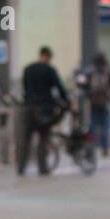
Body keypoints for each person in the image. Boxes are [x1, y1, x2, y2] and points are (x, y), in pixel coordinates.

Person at [17, 46, 70, 176]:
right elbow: (60, 88)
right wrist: (67, 101)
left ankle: (21, 167)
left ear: (40, 54)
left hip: (28, 107)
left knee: (25, 138)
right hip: (43, 108)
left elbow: (24, 86)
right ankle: (42, 167)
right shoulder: (50, 70)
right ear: (49, 57)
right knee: (43, 137)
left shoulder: (28, 69)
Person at [87, 53, 110, 157]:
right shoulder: (109, 71)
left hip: (93, 102)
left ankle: (90, 148)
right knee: (105, 127)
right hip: (105, 102)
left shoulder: (90, 71)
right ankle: (105, 149)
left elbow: (85, 86)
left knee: (92, 126)